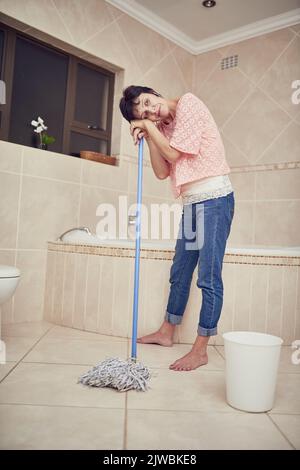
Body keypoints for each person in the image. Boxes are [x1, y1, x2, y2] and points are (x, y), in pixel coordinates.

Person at [119, 85, 235, 371]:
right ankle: (166, 332)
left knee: (208, 277)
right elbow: (161, 171)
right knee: (180, 271)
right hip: (193, 203)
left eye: (147, 103)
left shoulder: (189, 104)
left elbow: (172, 155)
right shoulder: (163, 128)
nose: (149, 111)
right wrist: (148, 136)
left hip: (216, 200)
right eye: (142, 112)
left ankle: (200, 349)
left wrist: (145, 124)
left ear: (154, 93)